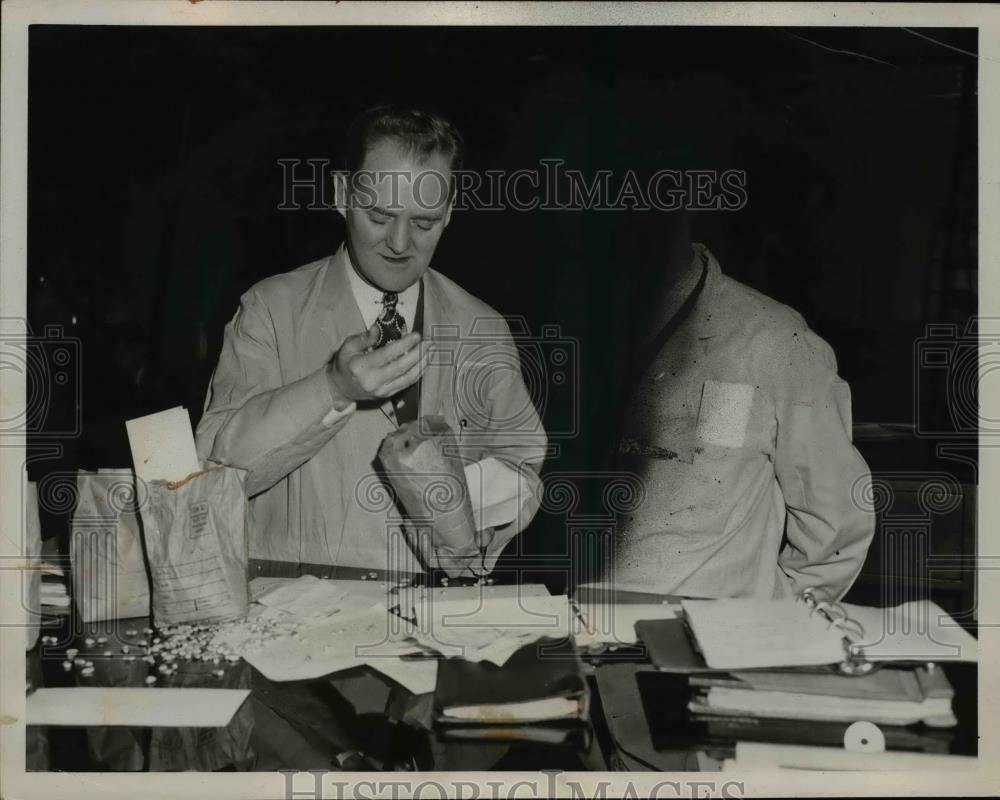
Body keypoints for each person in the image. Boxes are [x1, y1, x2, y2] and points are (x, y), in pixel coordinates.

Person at [195, 105, 548, 580]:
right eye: (380, 216)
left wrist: (486, 520)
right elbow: (215, 468)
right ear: (342, 195)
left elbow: (518, 463)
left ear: (449, 212)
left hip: (424, 620)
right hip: (288, 616)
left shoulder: (483, 328)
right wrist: (332, 388)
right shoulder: (270, 310)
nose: (400, 243)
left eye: (424, 223)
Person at [610, 213, 875, 601]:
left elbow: (837, 520)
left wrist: (774, 623)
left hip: (710, 638)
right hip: (574, 628)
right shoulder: (564, 324)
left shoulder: (774, 338)